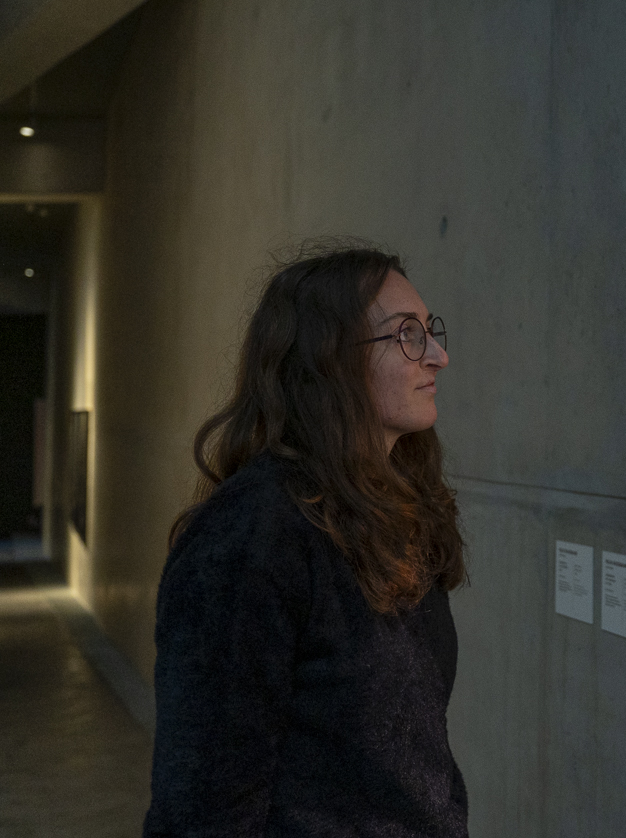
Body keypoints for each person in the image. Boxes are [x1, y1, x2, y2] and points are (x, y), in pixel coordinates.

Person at [142, 243, 468, 837]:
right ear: (330, 360)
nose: (439, 356)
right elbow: (204, 804)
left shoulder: (394, 513)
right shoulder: (253, 534)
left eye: (431, 331)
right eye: (407, 336)